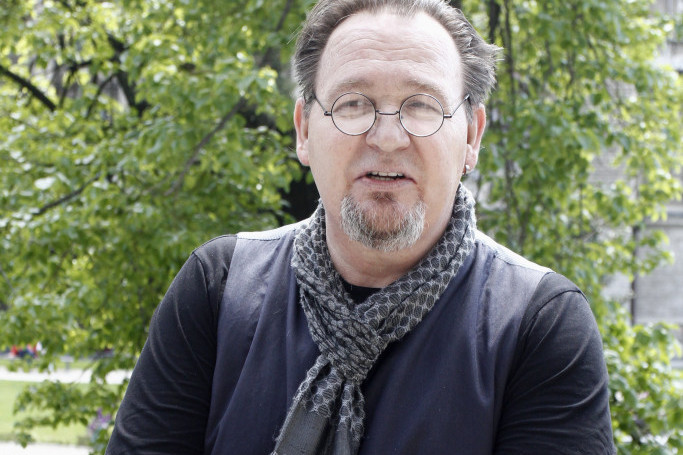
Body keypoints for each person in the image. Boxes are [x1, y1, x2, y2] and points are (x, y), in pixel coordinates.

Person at [106, 0, 615, 454]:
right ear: (305, 130)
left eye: (422, 105)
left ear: (472, 137)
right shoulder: (218, 289)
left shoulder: (537, 325)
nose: (388, 137)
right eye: (353, 103)